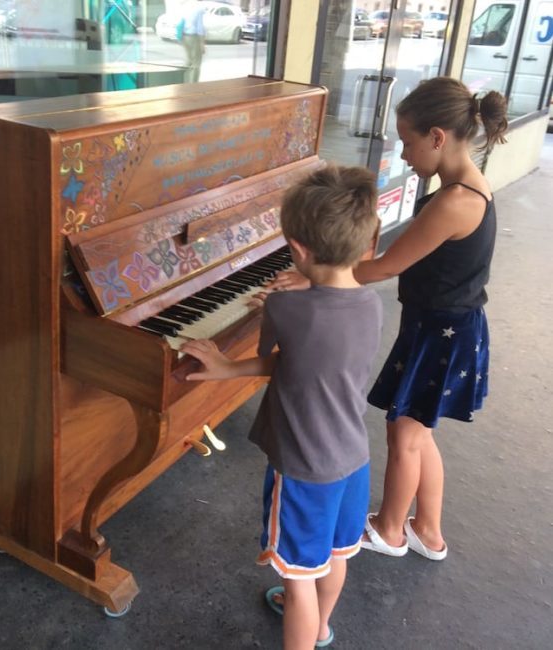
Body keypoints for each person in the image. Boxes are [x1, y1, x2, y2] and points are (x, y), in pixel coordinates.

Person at [269, 76, 508, 561]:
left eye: (407, 142)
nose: (403, 156)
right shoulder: (465, 184)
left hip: (442, 332)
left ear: (437, 137)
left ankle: (392, 530)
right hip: (448, 327)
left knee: (403, 434)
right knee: (420, 431)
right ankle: (429, 530)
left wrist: (316, 271)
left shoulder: (455, 201)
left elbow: (386, 266)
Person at [181, 164, 382, 650]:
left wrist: (227, 357)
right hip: (352, 460)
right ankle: (322, 629)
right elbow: (305, 363)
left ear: (297, 249)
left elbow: (271, 358)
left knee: (297, 584)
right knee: (335, 558)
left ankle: (304, 634)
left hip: (302, 469)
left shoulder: (286, 308)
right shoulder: (373, 303)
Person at [180, 0, 206, 83]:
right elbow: (200, 27)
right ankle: (193, 86)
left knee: (188, 61)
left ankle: (184, 83)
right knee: (196, 64)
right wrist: (202, 43)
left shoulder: (186, 5)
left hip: (184, 36)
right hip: (194, 37)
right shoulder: (199, 7)